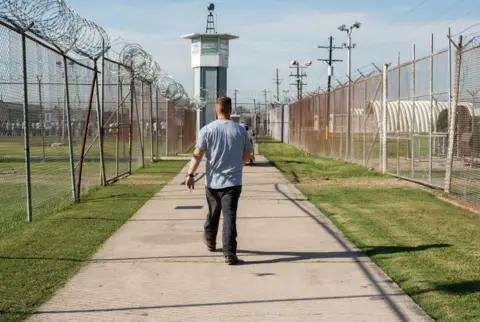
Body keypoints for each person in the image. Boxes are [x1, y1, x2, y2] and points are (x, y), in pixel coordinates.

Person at [185, 96, 253, 265]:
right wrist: (239, 165)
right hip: (233, 182)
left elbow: (198, 155)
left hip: (213, 182)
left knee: (213, 213)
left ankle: (210, 239)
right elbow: (248, 155)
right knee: (230, 217)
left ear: (216, 110)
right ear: (230, 110)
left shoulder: (207, 130)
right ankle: (229, 253)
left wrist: (190, 175)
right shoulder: (240, 131)